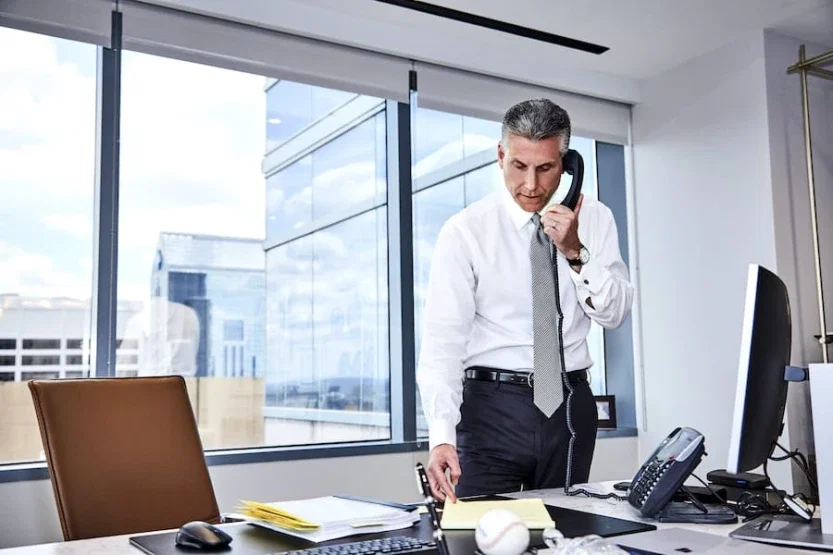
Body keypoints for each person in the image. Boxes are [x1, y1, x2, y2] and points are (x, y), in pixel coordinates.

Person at [416, 98, 633, 502]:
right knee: (476, 535)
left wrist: (575, 252)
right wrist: (441, 436)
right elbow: (443, 341)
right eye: (519, 166)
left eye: (546, 168)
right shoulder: (465, 231)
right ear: (501, 156)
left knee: (563, 533)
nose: (531, 185)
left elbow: (616, 312)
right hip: (490, 410)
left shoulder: (596, 219)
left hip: (570, 407)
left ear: (567, 164)